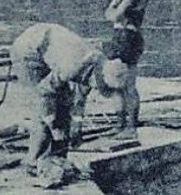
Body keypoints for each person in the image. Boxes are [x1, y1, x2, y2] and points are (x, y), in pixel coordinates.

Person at [9, 22, 127, 184]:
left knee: (64, 101)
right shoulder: (73, 66)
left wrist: (76, 126)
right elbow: (44, 92)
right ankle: (34, 162)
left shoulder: (99, 64)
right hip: (28, 51)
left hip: (49, 47)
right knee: (43, 114)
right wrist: (54, 126)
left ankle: (58, 159)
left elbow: (79, 96)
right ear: (98, 77)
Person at [103, 0, 149, 135]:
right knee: (116, 83)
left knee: (127, 83)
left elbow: (115, 14)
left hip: (129, 37)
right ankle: (121, 124)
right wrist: (114, 11)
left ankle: (130, 125)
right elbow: (109, 15)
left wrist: (114, 9)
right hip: (121, 36)